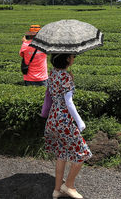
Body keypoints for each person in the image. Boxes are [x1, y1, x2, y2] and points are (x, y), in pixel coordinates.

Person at [45, 53, 91, 199]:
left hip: (53, 118)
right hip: (64, 119)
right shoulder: (65, 77)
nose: (73, 58)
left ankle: (57, 190)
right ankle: (68, 185)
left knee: (61, 153)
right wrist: (80, 122)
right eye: (72, 56)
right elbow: (69, 103)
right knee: (82, 153)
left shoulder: (52, 74)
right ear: (66, 59)